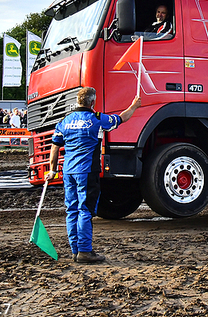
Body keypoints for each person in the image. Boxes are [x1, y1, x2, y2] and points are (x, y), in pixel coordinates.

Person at [45, 87, 141, 264]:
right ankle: (84, 251)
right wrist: (134, 106)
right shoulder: (97, 119)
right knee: (85, 211)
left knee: (71, 210)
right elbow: (122, 118)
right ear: (92, 103)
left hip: (68, 171)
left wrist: (52, 170)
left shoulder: (65, 121)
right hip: (87, 171)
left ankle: (75, 250)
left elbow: (55, 146)